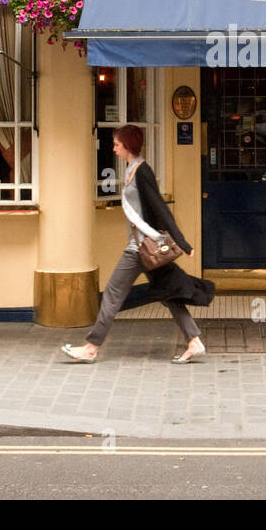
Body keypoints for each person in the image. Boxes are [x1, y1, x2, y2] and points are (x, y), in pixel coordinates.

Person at [62, 124, 211, 364]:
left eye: (117, 144)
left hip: (141, 249)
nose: (114, 149)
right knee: (169, 292)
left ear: (128, 145)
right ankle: (194, 341)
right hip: (146, 248)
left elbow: (160, 208)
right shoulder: (132, 169)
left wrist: (181, 241)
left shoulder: (142, 172)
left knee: (112, 293)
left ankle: (91, 347)